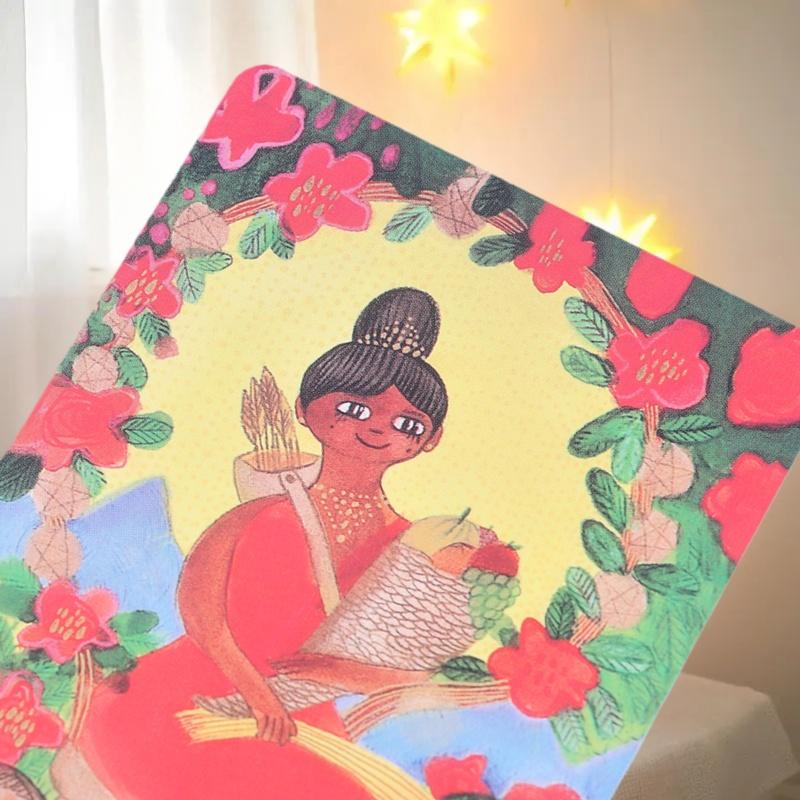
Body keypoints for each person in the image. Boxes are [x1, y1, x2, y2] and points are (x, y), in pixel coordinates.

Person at [74, 287, 450, 799]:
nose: (378, 429)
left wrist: (333, 672)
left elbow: (412, 670)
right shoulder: (260, 513)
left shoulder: (410, 548)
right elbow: (200, 611)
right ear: (304, 409)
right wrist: (254, 693)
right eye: (353, 408)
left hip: (299, 719)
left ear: (430, 439)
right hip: (192, 695)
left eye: (406, 423)